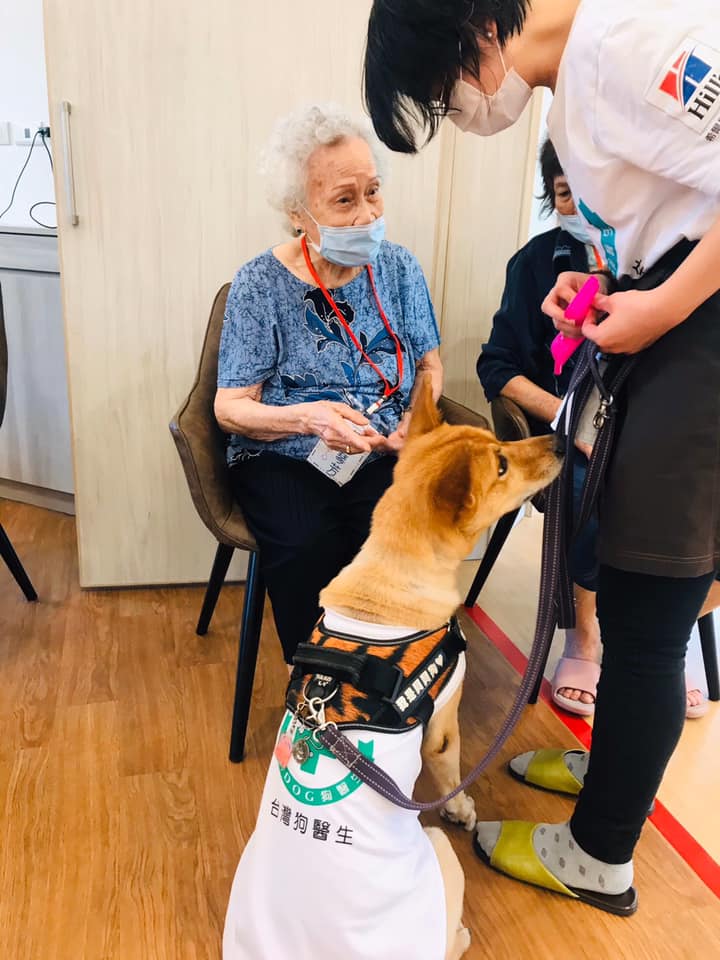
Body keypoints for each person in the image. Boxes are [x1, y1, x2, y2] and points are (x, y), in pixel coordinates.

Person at [363, 0, 719, 915]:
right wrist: (603, 282)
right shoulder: (570, 97)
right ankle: (607, 770)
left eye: (442, 94)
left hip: (702, 349)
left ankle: (600, 855)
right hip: (665, 337)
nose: (462, 113)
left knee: (644, 614)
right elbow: (675, 216)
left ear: (474, 29)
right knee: (622, 572)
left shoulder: (637, 41)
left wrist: (665, 306)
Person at [478, 138, 709, 719]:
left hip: (661, 420)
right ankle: (585, 635)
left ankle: (660, 643)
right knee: (587, 483)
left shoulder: (668, 259)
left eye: (596, 196)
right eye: (565, 195)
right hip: (574, 425)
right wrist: (565, 416)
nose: (583, 209)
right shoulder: (535, 266)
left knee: (681, 493)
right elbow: (497, 365)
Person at [215, 103, 443, 666]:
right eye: (344, 200)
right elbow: (229, 407)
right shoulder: (258, 284)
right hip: (287, 453)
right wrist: (309, 417)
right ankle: (320, 684)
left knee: (400, 539)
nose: (367, 214)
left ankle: (390, 677)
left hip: (382, 448)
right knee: (307, 545)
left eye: (373, 192)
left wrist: (418, 420)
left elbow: (430, 368)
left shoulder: (399, 268)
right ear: (299, 212)